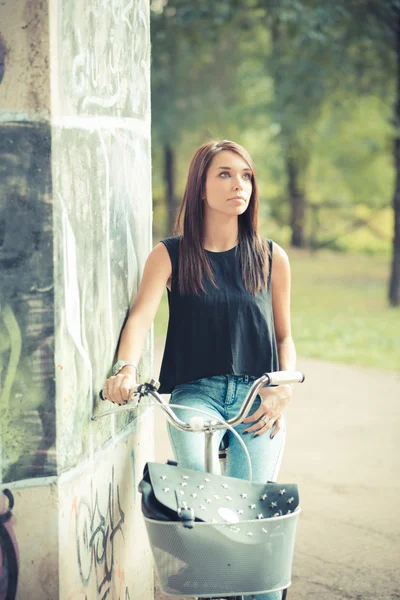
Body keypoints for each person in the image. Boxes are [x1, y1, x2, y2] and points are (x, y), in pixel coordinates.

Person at [103, 139, 296, 600]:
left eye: (246, 175)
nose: (239, 185)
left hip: (258, 395)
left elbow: (285, 337)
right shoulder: (170, 255)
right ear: (201, 189)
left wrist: (283, 389)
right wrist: (125, 369)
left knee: (253, 510)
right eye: (225, 174)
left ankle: (260, 592)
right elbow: (139, 318)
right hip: (198, 396)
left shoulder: (271, 256)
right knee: (204, 506)